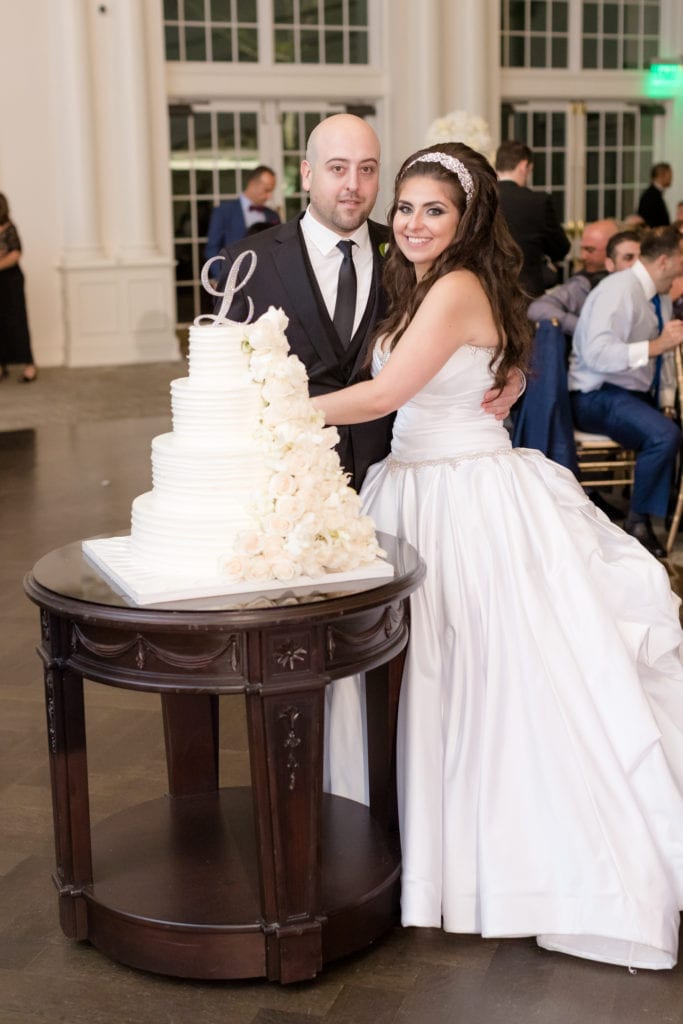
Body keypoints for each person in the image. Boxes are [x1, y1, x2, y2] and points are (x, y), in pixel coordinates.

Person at [317, 141, 683, 971]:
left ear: (468, 216)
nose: (410, 222)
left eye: (431, 209)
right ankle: (433, 842)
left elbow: (381, 395)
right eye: (403, 206)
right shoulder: (441, 283)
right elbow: (491, 362)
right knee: (449, 673)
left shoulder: (448, 287)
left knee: (472, 674)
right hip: (415, 480)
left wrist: (264, 408)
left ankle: (487, 855)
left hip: (458, 496)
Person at [214, 114, 522, 490]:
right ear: (308, 174)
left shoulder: (412, 254)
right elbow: (221, 378)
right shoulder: (249, 264)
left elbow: (479, 337)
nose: (353, 185)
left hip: (396, 475)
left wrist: (510, 377)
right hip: (290, 482)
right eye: (338, 168)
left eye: (367, 169)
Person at [569, 225, 683, 557]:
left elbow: (660, 362)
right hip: (594, 395)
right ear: (664, 261)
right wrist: (655, 345)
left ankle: (666, 513)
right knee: (663, 435)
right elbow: (597, 354)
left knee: (670, 426)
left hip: (627, 393)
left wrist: (663, 399)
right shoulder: (619, 290)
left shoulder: (657, 294)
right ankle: (638, 522)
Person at [528, 224, 639, 338]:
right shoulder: (584, 284)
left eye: (590, 250)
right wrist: (584, 328)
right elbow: (538, 308)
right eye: (628, 257)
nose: (582, 256)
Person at [495, 140, 570, 297]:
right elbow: (560, 249)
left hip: (489, 289)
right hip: (526, 292)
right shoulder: (538, 201)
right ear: (524, 166)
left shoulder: (482, 198)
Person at [204, 165, 280, 261]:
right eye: (266, 190)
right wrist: (225, 275)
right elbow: (212, 249)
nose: (270, 197)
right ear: (252, 184)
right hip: (233, 273)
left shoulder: (272, 215)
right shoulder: (224, 211)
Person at [0, 193, 37, 382]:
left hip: (10, 281)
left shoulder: (9, 229)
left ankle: (29, 365)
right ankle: (1, 365)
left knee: (16, 320)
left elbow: (15, 253)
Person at [637, 162, 673, 228]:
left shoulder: (653, 194)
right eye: (670, 174)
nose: (671, 178)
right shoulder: (650, 195)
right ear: (662, 175)